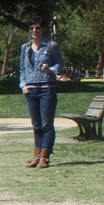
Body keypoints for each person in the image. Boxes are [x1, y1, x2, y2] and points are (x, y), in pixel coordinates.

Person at [20, 15, 63, 169]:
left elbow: (59, 64)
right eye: (31, 28)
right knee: (36, 125)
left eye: (37, 27)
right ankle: (36, 157)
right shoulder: (25, 48)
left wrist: (49, 70)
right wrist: (23, 84)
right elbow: (22, 68)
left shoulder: (51, 46)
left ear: (43, 29)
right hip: (30, 90)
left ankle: (45, 157)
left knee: (46, 125)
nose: (34, 30)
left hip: (47, 89)